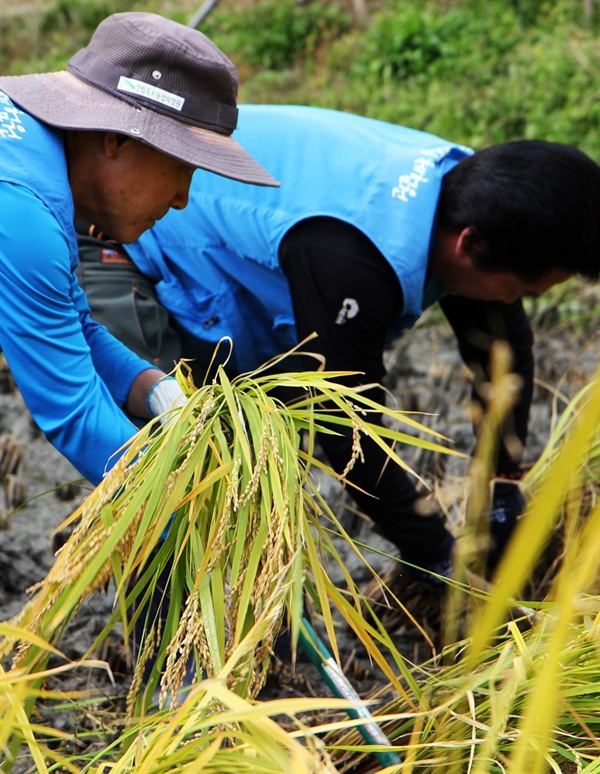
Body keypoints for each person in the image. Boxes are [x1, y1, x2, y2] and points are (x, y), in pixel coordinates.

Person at [73, 105, 600, 581]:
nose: (514, 302)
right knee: (179, 461)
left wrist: (503, 484)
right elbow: (349, 432)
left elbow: (499, 350)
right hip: (125, 227)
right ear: (469, 245)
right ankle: (179, 664)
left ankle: (251, 612)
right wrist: (440, 557)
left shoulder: (473, 198)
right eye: (518, 290)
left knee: (261, 458)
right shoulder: (355, 258)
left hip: (243, 252)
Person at [0, 13, 277, 487]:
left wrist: (158, 391)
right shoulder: (22, 209)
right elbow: (76, 416)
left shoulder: (31, 156)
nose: (181, 199)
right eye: (182, 169)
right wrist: (195, 513)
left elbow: (75, 327)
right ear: (119, 138)